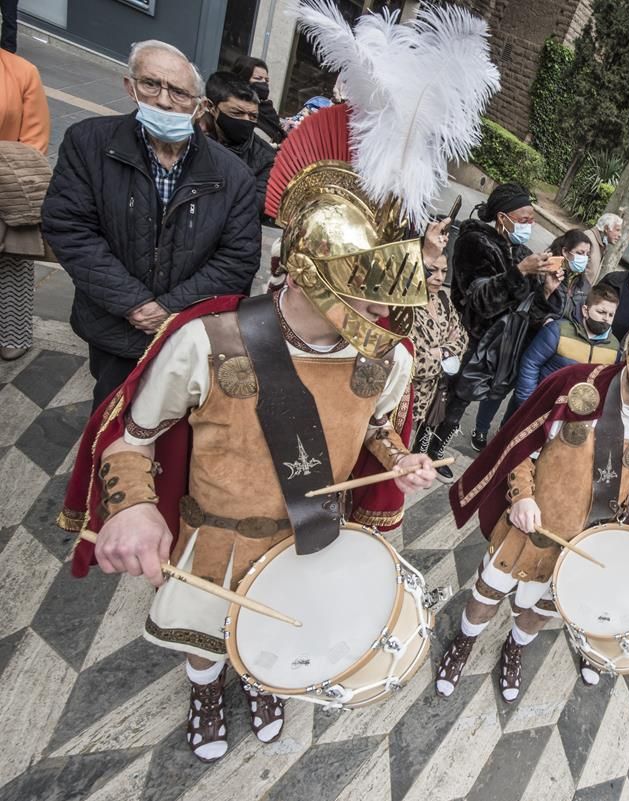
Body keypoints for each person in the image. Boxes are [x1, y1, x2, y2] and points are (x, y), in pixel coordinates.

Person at [54, 3, 495, 754]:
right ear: (310, 267)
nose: (377, 306)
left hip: (310, 541)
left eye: (384, 287)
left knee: (279, 636)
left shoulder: (388, 359)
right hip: (215, 535)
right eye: (363, 285)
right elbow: (131, 436)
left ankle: (264, 680)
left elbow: (379, 433)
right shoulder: (207, 336)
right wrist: (129, 506)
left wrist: (399, 459)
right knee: (204, 643)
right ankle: (206, 693)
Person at [440, 277, 629, 700]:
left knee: (545, 608)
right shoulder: (575, 382)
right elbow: (521, 444)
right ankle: (464, 640)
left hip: (590, 538)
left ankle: (515, 647)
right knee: (489, 590)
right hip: (533, 522)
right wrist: (522, 495)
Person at [42, 40, 261, 410]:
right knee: (111, 418)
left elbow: (238, 258)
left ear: (199, 105)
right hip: (113, 324)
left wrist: (170, 309)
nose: (163, 100)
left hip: (188, 331)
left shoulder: (233, 174)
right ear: (130, 87)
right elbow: (69, 227)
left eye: (178, 91)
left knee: (176, 423)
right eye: (151, 84)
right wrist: (134, 303)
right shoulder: (89, 143)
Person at [430, 182, 558, 472]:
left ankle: (436, 450)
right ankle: (427, 451)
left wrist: (547, 291)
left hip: (498, 347)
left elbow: (527, 309)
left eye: (532, 220)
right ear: (503, 218)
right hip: (468, 338)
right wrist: (519, 272)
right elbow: (481, 302)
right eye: (525, 220)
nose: (530, 225)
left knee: (461, 403)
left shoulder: (518, 250)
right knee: (448, 400)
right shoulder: (475, 242)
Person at [0, 44, 51, 361]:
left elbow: (34, 146)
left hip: (8, 190)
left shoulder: (22, 71)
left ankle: (12, 332)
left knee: (12, 264)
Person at [410, 224, 468, 456]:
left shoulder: (443, 300)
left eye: (443, 272)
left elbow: (462, 340)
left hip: (431, 399)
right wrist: (447, 352)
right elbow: (415, 363)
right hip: (404, 404)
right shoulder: (407, 305)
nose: (438, 278)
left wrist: (438, 351)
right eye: (432, 270)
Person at [514, 283, 620, 403]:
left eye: (611, 315)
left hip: (570, 416)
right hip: (539, 404)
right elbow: (530, 364)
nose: (606, 318)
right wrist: (526, 402)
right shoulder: (558, 330)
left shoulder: (614, 348)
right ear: (585, 311)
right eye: (601, 312)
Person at [202, 71, 275, 217]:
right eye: (236, 113)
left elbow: (254, 205)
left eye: (253, 116)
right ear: (211, 107)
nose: (246, 120)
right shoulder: (189, 140)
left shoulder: (265, 157)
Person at [230, 55, 285, 144]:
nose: (263, 82)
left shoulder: (268, 110)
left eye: (266, 80)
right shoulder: (235, 109)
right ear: (243, 79)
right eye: (258, 78)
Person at [583, 212, 621, 284]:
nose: (620, 235)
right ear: (606, 228)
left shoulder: (602, 244)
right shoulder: (588, 238)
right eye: (617, 230)